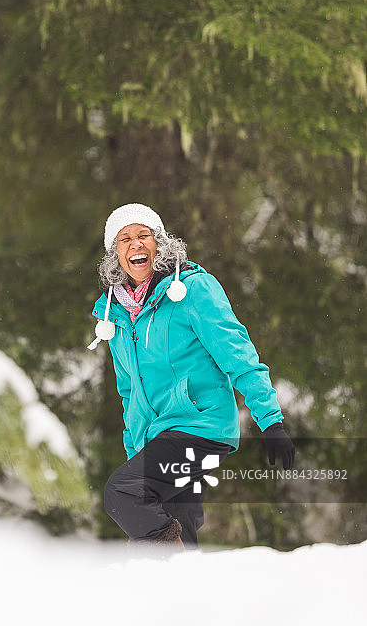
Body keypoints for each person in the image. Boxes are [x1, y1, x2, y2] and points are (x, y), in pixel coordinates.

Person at [88, 203, 295, 554]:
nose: (136, 245)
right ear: (115, 254)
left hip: (200, 426)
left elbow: (237, 353)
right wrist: (138, 451)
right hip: (159, 435)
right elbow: (130, 393)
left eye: (144, 236)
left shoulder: (193, 290)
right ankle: (187, 594)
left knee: (123, 492)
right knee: (178, 525)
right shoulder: (115, 313)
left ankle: (167, 568)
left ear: (160, 243)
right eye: (125, 239)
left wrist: (270, 420)